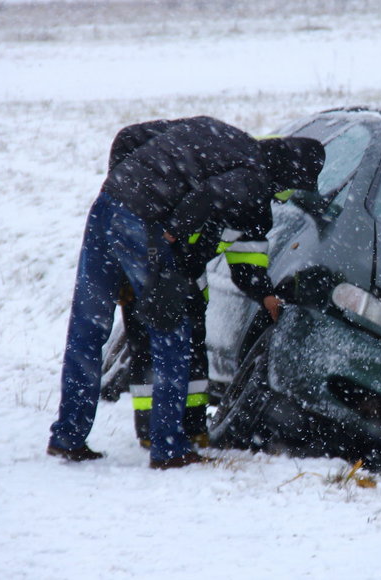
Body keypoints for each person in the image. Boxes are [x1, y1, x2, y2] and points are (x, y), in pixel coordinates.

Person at [47, 116, 324, 469]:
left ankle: (67, 437)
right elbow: (207, 198)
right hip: (145, 226)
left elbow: (130, 136)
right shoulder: (256, 174)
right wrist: (168, 236)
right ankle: (169, 448)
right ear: (287, 173)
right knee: (173, 334)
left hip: (107, 206)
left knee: (88, 329)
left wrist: (123, 184)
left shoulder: (221, 135)